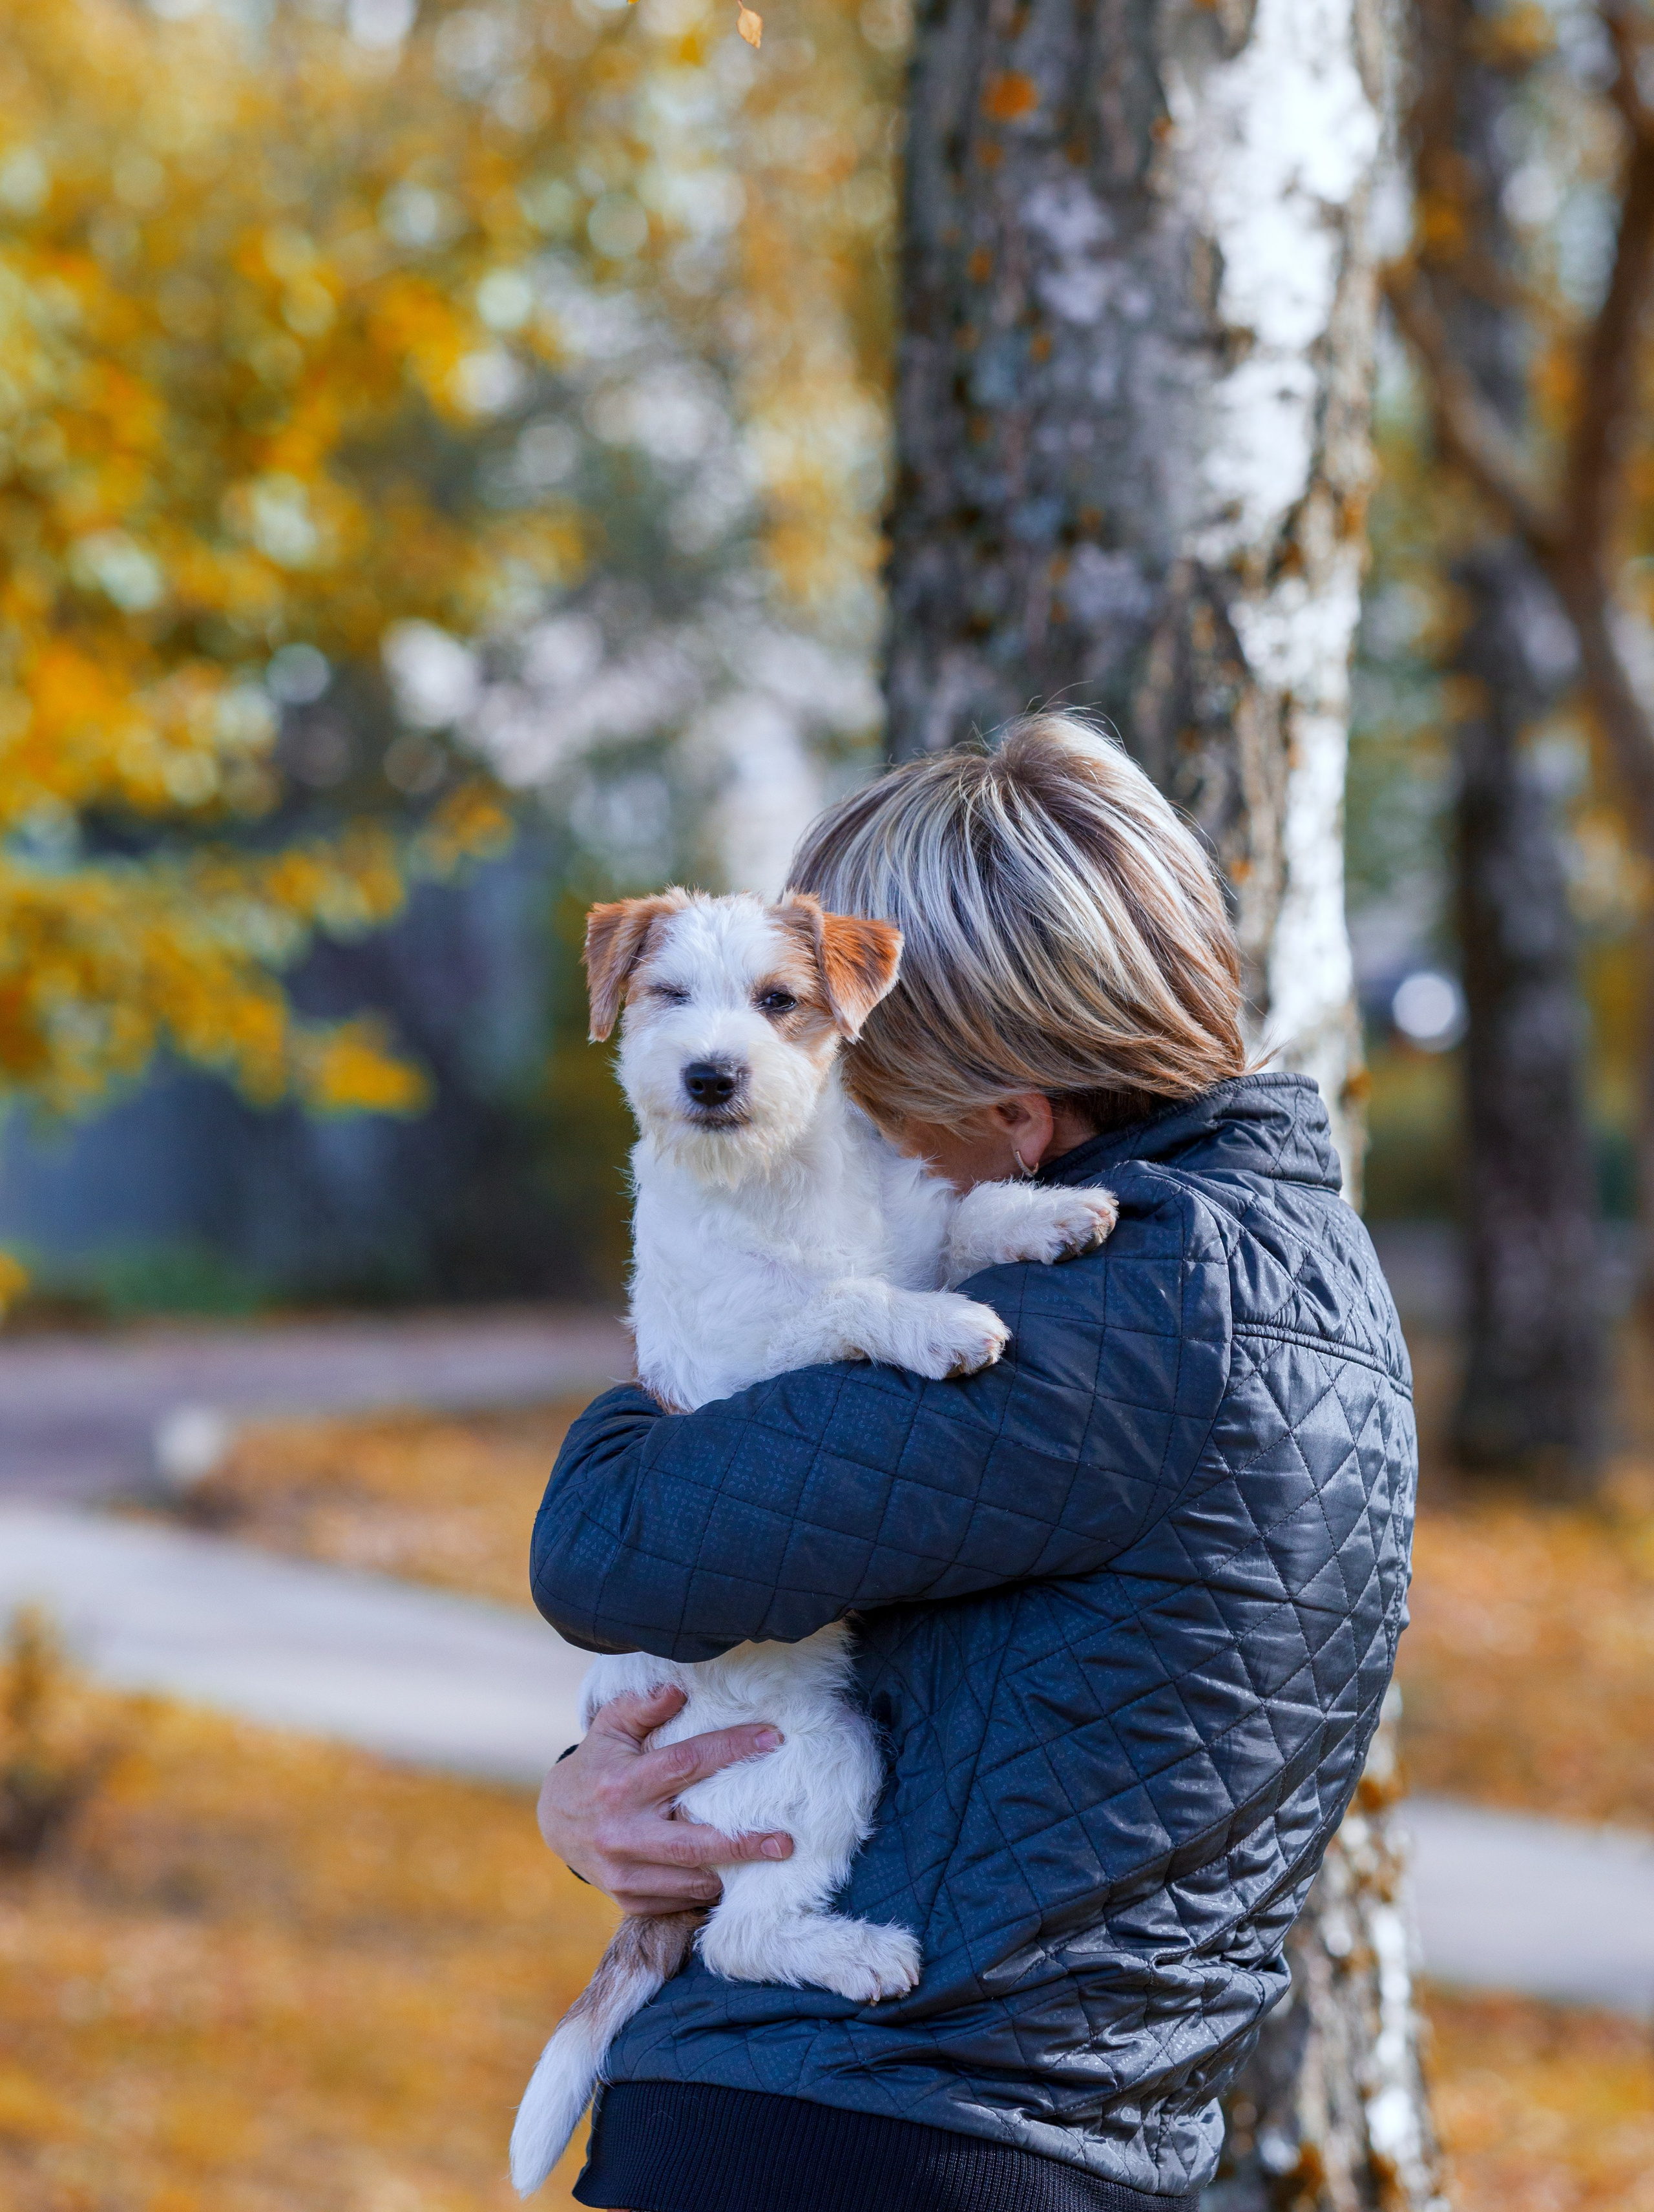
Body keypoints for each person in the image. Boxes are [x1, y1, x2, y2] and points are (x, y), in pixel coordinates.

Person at [531, 714, 1416, 2212]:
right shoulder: (1288, 1264)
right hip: (991, 2127)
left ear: (1008, 1115)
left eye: (861, 1082)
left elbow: (612, 1540)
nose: (834, 1127)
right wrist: (602, 1788)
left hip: (876, 2130)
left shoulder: (1122, 1309)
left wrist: (635, 1402)